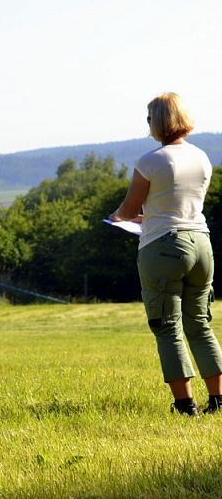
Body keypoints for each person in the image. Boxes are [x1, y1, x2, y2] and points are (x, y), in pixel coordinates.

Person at [109, 92, 222, 416]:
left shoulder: (150, 161)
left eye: (149, 119)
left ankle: (185, 405)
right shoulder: (201, 157)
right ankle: (218, 399)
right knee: (199, 324)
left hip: (163, 247)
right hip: (201, 243)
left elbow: (129, 210)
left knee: (166, 325)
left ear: (157, 122)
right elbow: (180, 204)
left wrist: (117, 218)